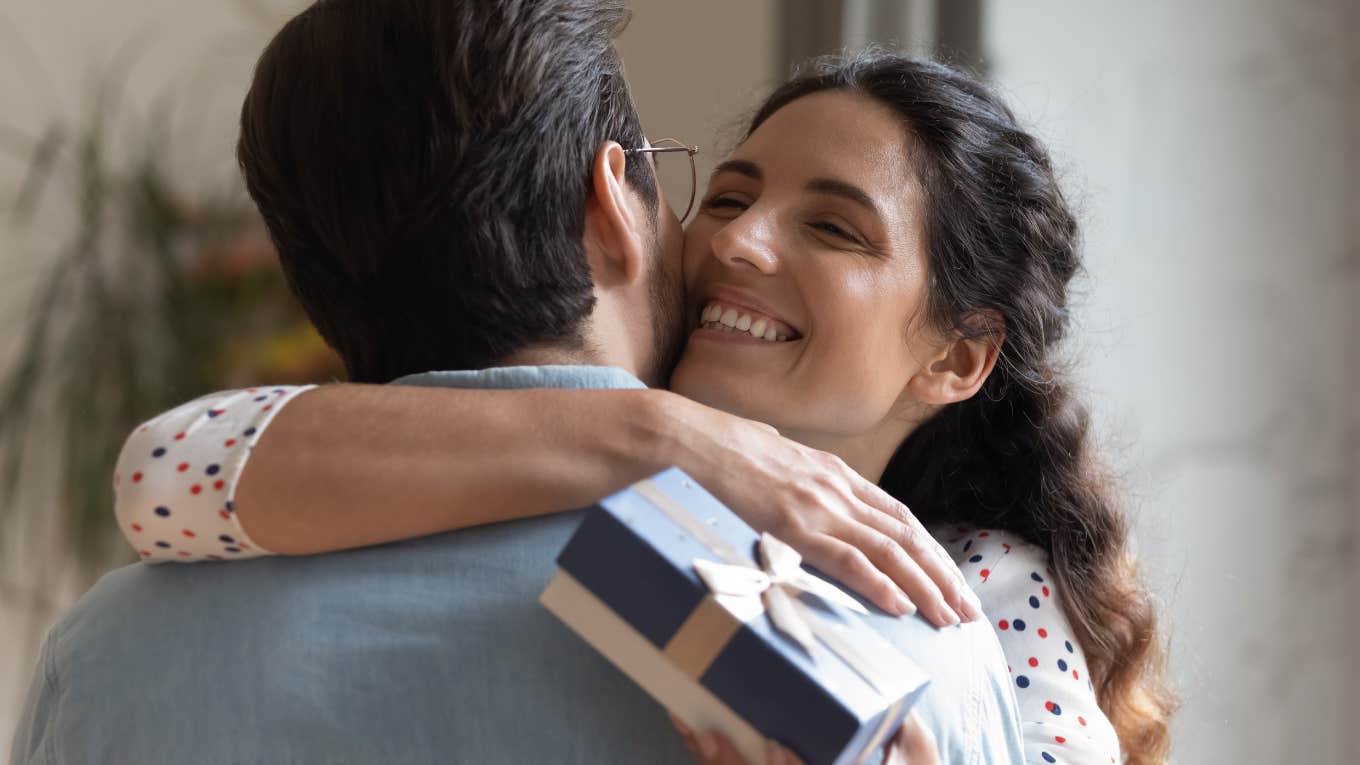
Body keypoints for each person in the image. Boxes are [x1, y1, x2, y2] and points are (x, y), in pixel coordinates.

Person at [103, 43, 1178, 765]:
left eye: (836, 229)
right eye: (729, 194)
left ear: (955, 359)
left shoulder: (973, 601)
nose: (739, 243)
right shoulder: (562, 465)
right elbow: (166, 476)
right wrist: (662, 435)